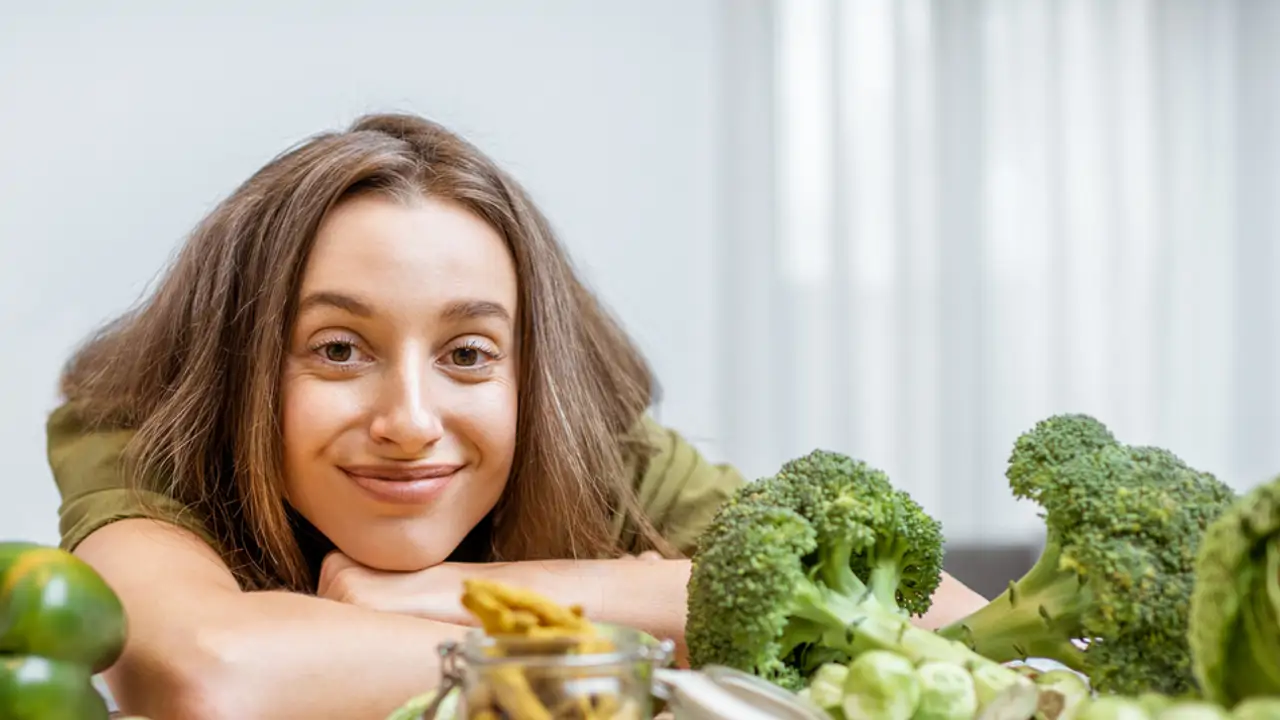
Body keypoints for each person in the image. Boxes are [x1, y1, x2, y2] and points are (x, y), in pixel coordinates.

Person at [46, 113, 987, 718]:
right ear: (243, 365)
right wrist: (636, 622)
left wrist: (443, 597)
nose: (411, 420)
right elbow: (207, 673)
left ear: (532, 378)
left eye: (467, 355)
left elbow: (965, 635)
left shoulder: (597, 450)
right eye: (338, 350)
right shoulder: (146, 429)